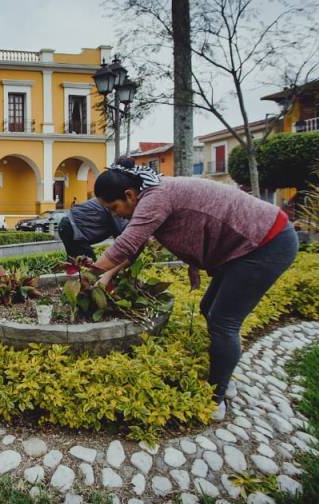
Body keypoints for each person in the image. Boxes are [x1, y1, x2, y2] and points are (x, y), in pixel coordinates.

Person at [91, 159, 297, 422]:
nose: (114, 214)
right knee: (208, 309)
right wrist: (108, 274)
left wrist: (87, 276)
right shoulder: (154, 193)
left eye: (113, 207)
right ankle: (223, 376)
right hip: (244, 247)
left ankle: (216, 397)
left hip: (266, 242)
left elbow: (127, 244)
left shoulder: (155, 197)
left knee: (224, 322)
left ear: (129, 195)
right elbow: (140, 245)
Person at [56, 196, 126, 259]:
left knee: (77, 264)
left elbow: (119, 233)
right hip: (72, 228)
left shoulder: (106, 199)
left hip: (67, 226)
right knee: (89, 265)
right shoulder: (115, 203)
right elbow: (123, 232)